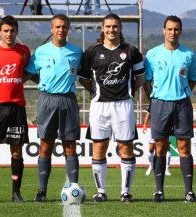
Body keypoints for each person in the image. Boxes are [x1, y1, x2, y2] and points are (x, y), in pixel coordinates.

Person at [78, 13, 145, 203]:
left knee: (126, 147)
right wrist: (96, 93)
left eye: (115, 26)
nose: (111, 30)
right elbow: (83, 78)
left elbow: (140, 77)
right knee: (99, 147)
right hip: (99, 106)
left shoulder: (131, 51)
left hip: (123, 105)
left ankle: (125, 192)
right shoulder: (92, 51)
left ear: (120, 28)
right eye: (108, 26)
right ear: (102, 28)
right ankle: (101, 192)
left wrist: (130, 93)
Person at [24, 14, 83, 202]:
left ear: (68, 29)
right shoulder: (41, 52)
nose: (61, 30)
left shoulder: (77, 52)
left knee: (70, 145)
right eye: (57, 27)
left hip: (68, 100)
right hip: (47, 100)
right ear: (51, 29)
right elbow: (29, 74)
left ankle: (73, 188)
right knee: (45, 145)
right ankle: (42, 191)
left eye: (64, 27)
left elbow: (88, 75)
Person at [143, 15, 196, 202]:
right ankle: (159, 192)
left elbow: (192, 79)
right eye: (169, 29)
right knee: (161, 147)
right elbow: (147, 81)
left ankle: (189, 192)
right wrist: (154, 100)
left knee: (184, 147)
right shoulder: (152, 54)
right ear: (163, 31)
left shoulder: (188, 55)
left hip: (182, 104)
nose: (172, 32)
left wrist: (181, 93)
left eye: (176, 29)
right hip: (160, 104)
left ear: (180, 31)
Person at [0, 15, 31, 203]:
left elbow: (27, 72)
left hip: (17, 107)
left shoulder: (24, 51)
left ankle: (16, 193)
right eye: (6, 31)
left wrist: (18, 82)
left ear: (17, 32)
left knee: (17, 151)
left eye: (12, 31)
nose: (9, 34)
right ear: (0, 32)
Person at [142, 105, 171, 176]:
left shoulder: (169, 101)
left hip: (166, 128)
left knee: (166, 149)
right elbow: (149, 113)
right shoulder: (154, 101)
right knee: (151, 149)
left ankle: (166, 168)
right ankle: (152, 165)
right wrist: (145, 125)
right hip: (154, 128)